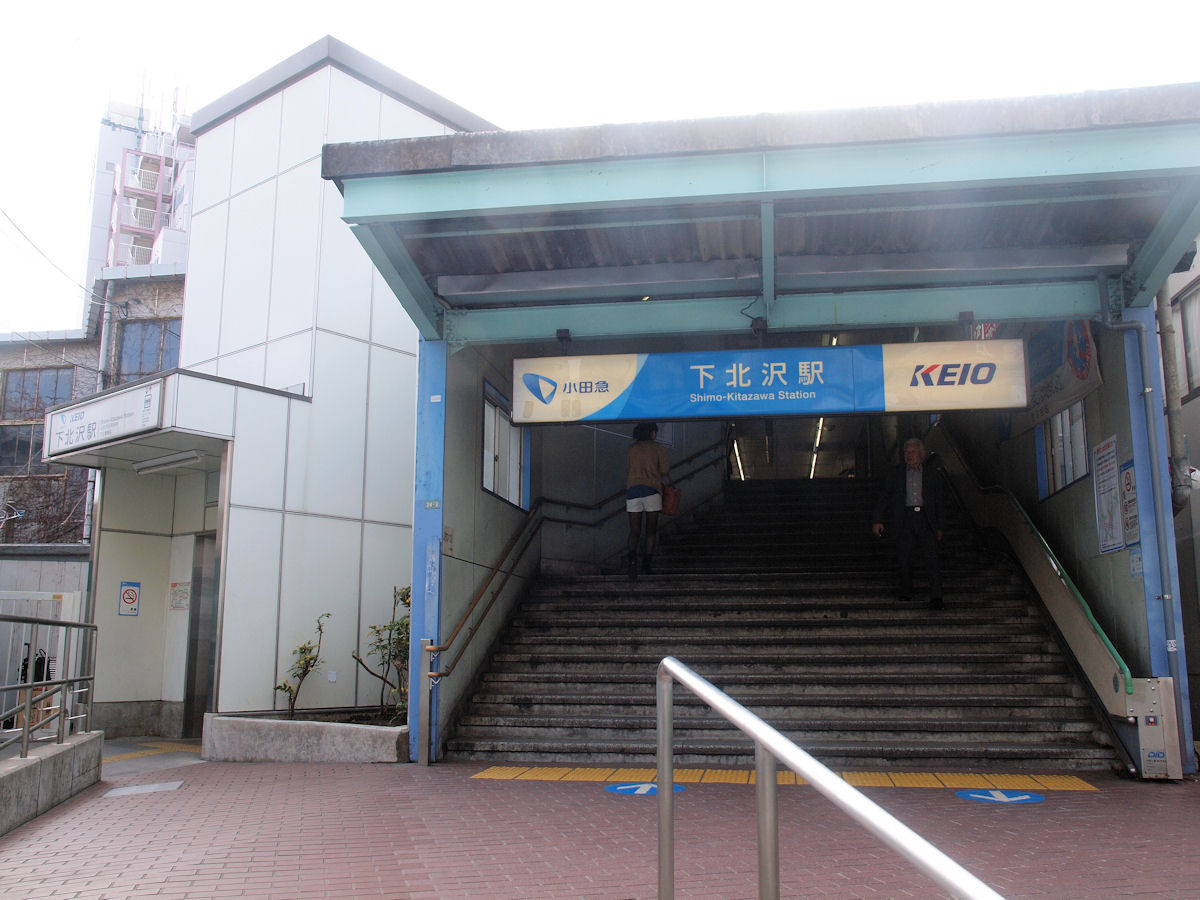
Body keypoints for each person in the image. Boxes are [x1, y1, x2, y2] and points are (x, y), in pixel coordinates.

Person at [872, 437, 945, 609]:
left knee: (932, 558)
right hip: (905, 518)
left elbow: (939, 501)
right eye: (906, 452)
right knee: (904, 557)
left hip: (926, 518)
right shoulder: (896, 473)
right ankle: (905, 591)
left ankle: (936, 596)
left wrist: (940, 526)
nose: (909, 455)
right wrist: (877, 519)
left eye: (913, 452)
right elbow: (885, 497)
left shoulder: (932, 474)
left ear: (922, 454)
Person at [626, 422, 672, 579]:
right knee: (651, 531)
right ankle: (647, 564)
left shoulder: (632, 448)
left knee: (634, 531)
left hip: (633, 491)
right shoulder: (658, 448)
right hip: (652, 490)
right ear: (652, 433)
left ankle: (632, 563)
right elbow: (665, 469)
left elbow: (629, 466)